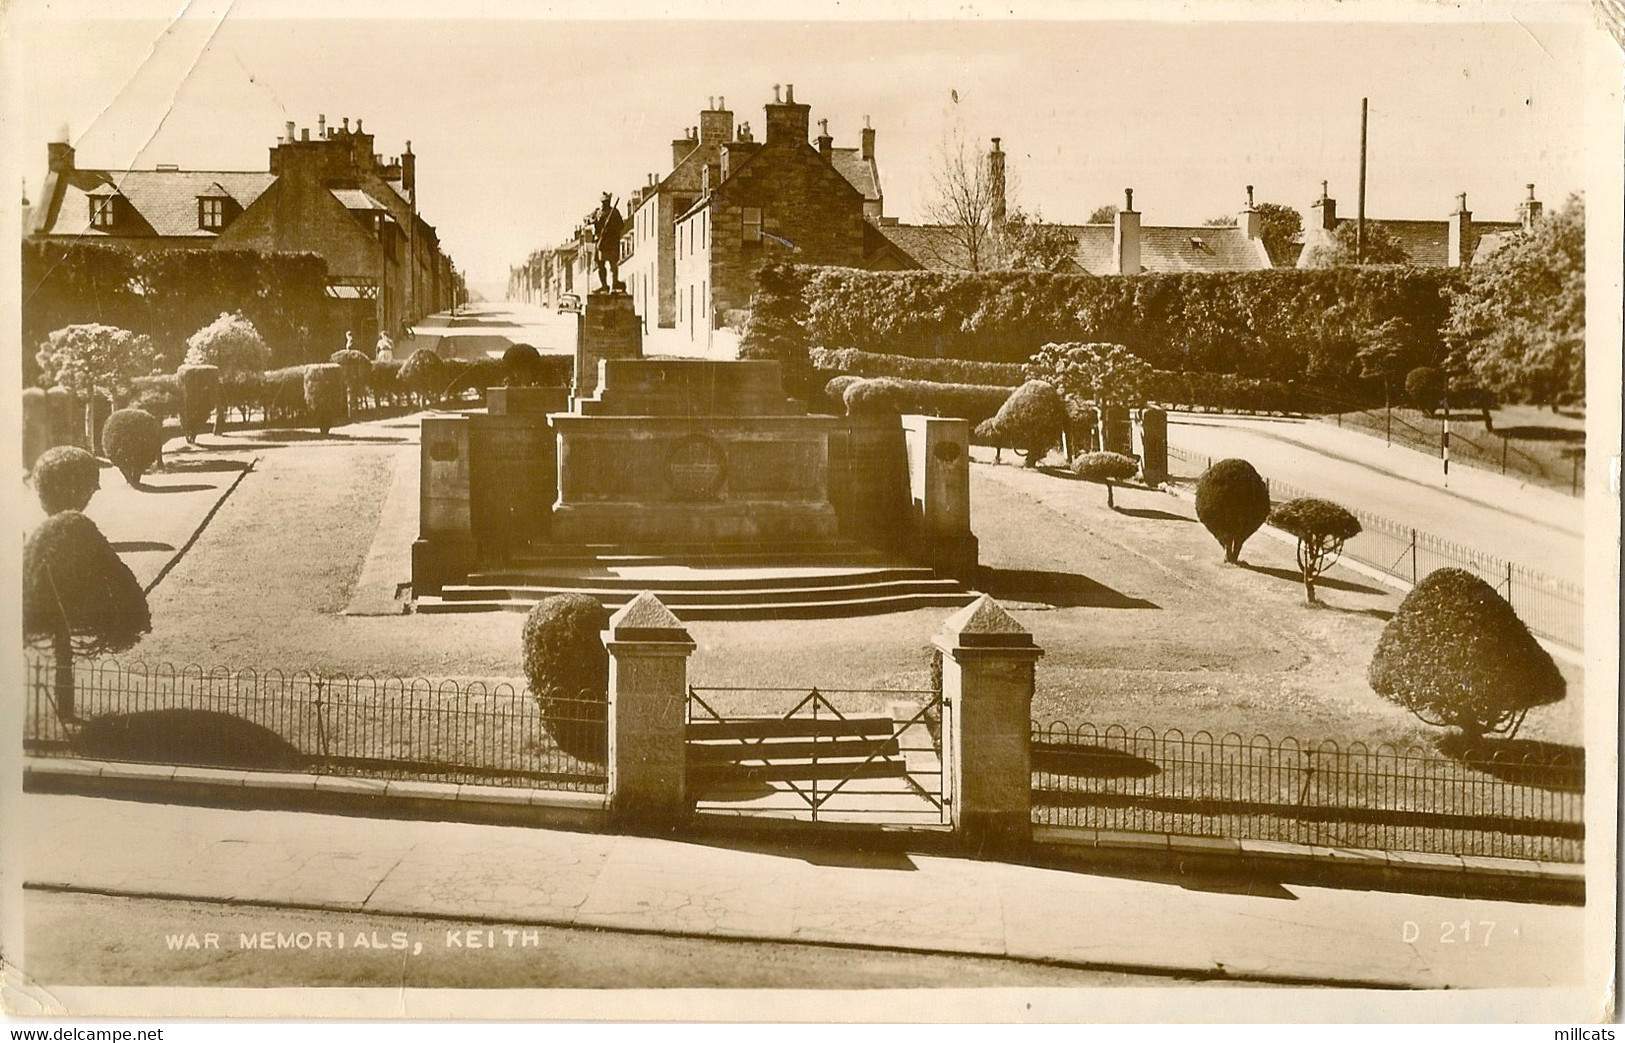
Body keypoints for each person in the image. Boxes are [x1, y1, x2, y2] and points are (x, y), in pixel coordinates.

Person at [592, 192, 624, 291]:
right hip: (601, 242)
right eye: (603, 202)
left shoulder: (614, 212)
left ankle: (615, 284)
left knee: (613, 264)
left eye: (606, 202)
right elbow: (589, 220)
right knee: (600, 264)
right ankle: (604, 285)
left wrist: (611, 227)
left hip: (611, 242)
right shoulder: (598, 212)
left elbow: (621, 226)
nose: (604, 204)